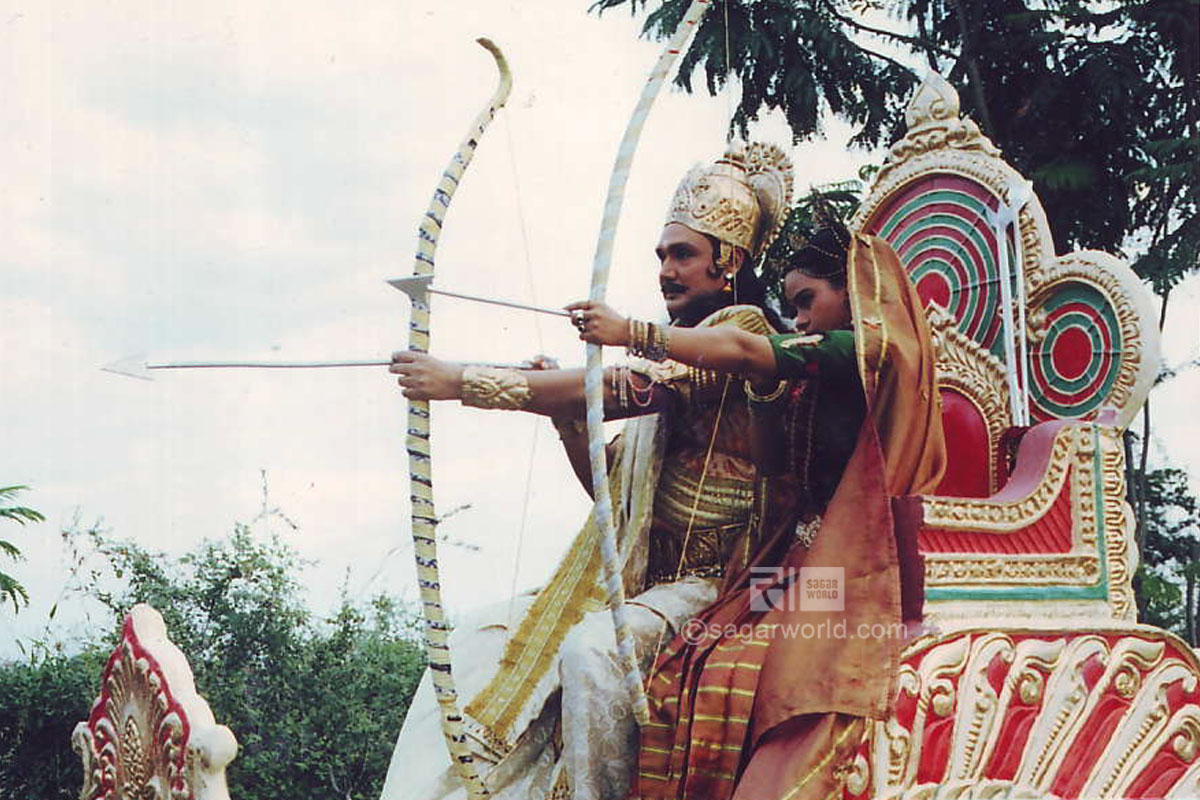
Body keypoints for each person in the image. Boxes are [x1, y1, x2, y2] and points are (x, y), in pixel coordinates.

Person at [380, 142, 795, 800]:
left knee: (592, 652)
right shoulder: (675, 345)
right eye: (661, 255)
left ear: (730, 262)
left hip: (713, 583)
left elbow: (627, 390)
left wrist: (459, 382)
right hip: (637, 576)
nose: (666, 270)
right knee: (480, 637)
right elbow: (611, 490)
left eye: (683, 254)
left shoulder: (737, 335)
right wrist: (568, 422)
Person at [569, 215, 947, 799]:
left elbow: (748, 349)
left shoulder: (869, 350)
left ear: (852, 292)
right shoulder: (817, 371)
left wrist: (631, 332)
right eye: (791, 307)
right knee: (695, 650)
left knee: (735, 662)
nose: (798, 320)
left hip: (859, 574)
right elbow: (771, 465)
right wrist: (764, 395)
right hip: (800, 566)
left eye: (807, 301)